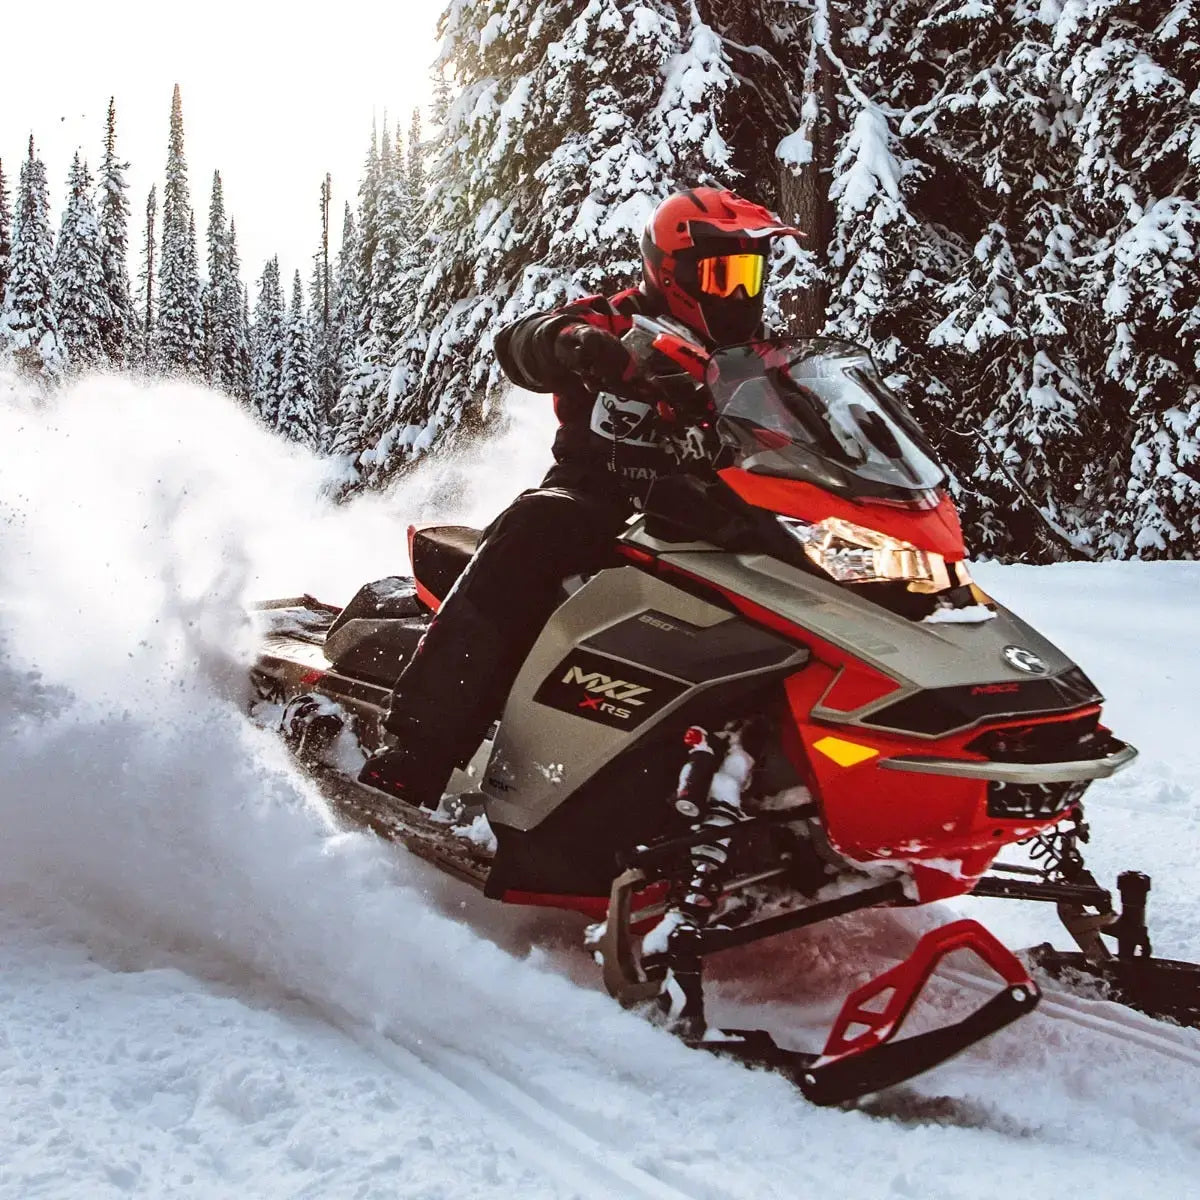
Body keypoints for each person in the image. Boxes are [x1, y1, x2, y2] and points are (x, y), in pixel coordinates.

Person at [358, 187, 801, 808]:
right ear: (670, 272)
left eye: (749, 274)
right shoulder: (620, 321)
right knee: (536, 527)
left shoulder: (755, 361)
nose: (738, 292)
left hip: (712, 520)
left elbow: (801, 431)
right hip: (599, 503)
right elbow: (523, 344)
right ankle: (415, 754)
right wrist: (569, 343)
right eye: (722, 274)